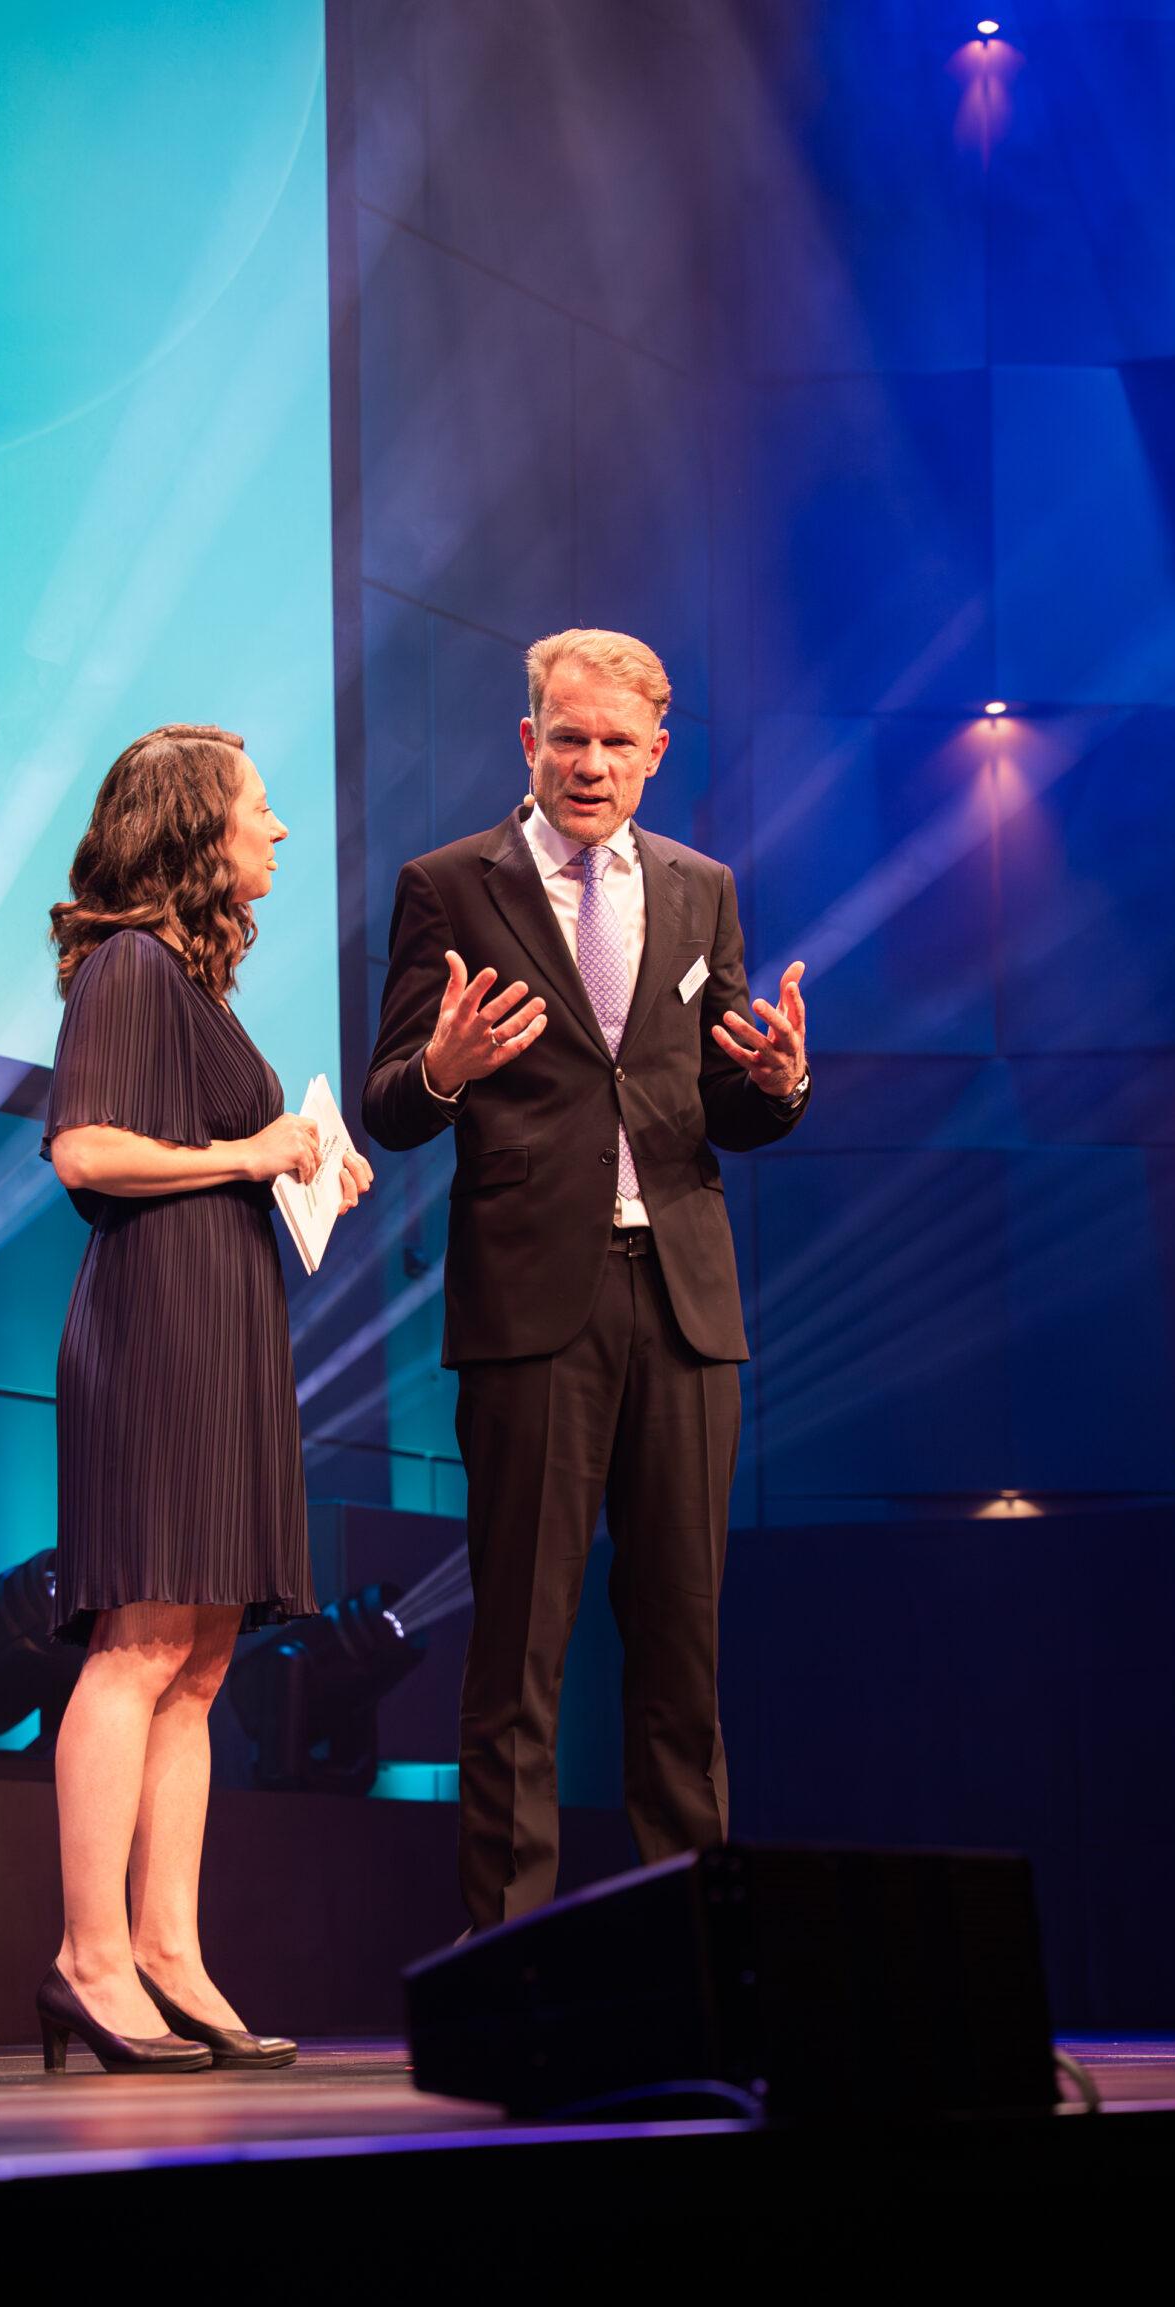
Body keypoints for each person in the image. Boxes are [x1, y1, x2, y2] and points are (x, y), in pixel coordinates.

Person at [362, 629, 809, 1934]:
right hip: (531, 1305)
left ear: (657, 753)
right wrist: (441, 1069)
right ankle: (508, 1958)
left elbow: (728, 1100)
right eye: (569, 738)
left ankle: (700, 1953)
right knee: (520, 1650)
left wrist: (779, 1083)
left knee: (682, 1647)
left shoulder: (700, 889)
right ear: (528, 741)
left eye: (618, 743)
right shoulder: (449, 886)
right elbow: (391, 1104)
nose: (591, 764)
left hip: (682, 1304)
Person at [36, 723, 373, 2072]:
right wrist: (250, 1151)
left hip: (227, 1326)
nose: (278, 828)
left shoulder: (192, 985)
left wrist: (304, 1165)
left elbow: (212, 1148)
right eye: (259, 806)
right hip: (156, 1331)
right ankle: (89, 1958)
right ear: (195, 825)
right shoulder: (127, 964)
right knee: (138, 1642)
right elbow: (86, 1151)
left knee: (203, 1656)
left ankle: (167, 1949)